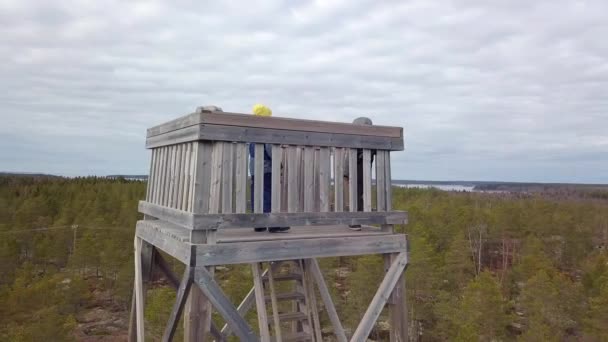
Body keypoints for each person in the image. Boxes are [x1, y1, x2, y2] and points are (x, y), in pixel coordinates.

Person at [249, 104, 290, 233]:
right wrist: (280, 164)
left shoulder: (251, 133)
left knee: (257, 195)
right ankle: (272, 224)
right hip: (267, 169)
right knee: (269, 195)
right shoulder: (267, 133)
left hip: (255, 169)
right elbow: (271, 151)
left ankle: (258, 223)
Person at [344, 117, 376, 230]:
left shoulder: (368, 143)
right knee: (356, 195)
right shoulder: (356, 142)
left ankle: (357, 219)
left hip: (360, 171)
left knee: (358, 195)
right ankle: (355, 219)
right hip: (355, 171)